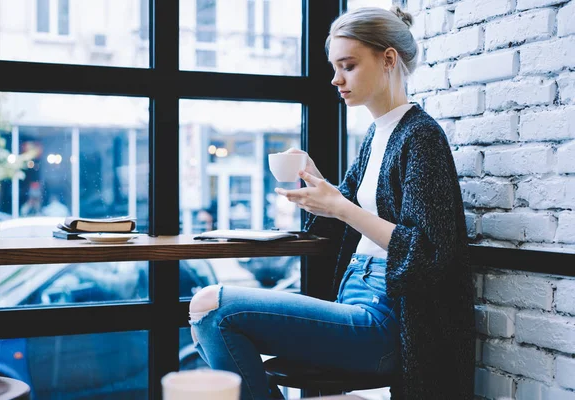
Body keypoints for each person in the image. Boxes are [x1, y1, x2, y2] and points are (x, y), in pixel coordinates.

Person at [189, 6, 475, 400]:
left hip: (386, 321)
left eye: (349, 65)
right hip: (354, 299)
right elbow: (339, 220)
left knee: (213, 308)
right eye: (334, 66)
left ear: (388, 59)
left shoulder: (421, 137)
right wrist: (319, 187)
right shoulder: (376, 138)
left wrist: (341, 206)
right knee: (207, 314)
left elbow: (428, 251)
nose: (336, 79)